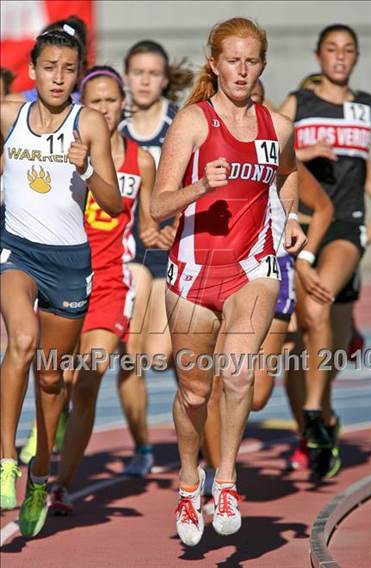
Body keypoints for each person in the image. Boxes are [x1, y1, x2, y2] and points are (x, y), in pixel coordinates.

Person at [150, 17, 306, 546]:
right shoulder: (194, 122)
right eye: (233, 60)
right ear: (214, 64)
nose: (242, 70)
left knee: (238, 376)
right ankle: (189, 482)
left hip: (254, 268)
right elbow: (156, 203)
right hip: (194, 270)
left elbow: (288, 174)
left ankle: (228, 481)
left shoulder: (277, 126)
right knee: (195, 392)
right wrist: (199, 186)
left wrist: (294, 217)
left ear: (262, 65)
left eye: (252, 60)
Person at [0, 26, 122, 538]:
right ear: (33, 69)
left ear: (78, 74)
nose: (58, 77)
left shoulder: (89, 122)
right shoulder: (8, 114)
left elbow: (114, 205)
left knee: (53, 380)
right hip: (17, 251)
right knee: (22, 342)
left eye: (69, 69)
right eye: (49, 67)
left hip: (70, 262)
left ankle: (40, 475)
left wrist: (89, 169)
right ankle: (6, 458)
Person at [279, 23, 371, 475]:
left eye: (348, 49)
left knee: (317, 309)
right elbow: (266, 145)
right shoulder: (300, 103)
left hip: (346, 228)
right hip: (303, 225)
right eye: (331, 48)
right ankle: (315, 426)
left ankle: (315, 410)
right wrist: (305, 153)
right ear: (318, 55)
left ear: (355, 57)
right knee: (301, 343)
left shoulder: (366, 106)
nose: (340, 56)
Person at [200, 80, 334, 497]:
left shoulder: (277, 145)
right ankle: (220, 477)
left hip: (271, 270)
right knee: (219, 379)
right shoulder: (210, 143)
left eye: (257, 102)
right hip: (222, 268)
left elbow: (323, 207)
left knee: (256, 393)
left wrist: (305, 253)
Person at [47, 65, 156, 514]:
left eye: (112, 100)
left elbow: (148, 223)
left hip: (112, 282)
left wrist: (161, 232)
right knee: (57, 378)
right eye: (96, 101)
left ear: (123, 103)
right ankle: (42, 453)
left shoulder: (141, 160)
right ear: (81, 105)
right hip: (63, 279)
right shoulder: (61, 153)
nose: (106, 109)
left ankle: (61, 485)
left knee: (87, 384)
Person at [117, 41, 193, 476]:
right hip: (125, 253)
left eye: (153, 73)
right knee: (130, 357)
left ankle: (192, 441)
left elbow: (199, 183)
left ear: (165, 79)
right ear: (127, 75)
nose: (144, 81)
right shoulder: (114, 124)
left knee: (161, 356)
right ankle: (142, 448)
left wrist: (172, 219)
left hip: (172, 251)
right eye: (138, 72)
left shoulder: (179, 124)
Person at [5, 16, 88, 105]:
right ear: (33, 67)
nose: (58, 79)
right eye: (49, 67)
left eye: (69, 69)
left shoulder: (90, 105)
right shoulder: (12, 106)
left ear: (81, 68)